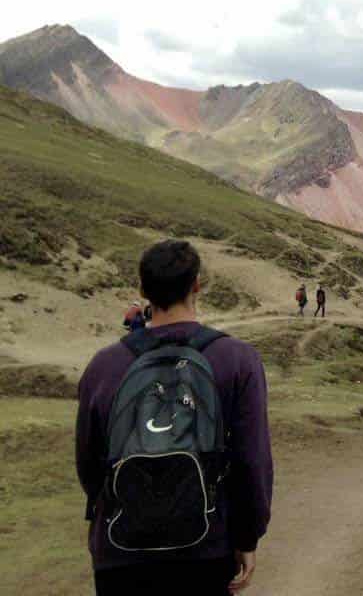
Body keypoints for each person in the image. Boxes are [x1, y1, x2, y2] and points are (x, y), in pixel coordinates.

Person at [76, 240, 272, 596]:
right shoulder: (237, 359)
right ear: (196, 285)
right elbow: (252, 459)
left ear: (142, 290)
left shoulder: (103, 365)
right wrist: (247, 535)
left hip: (119, 550)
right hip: (206, 547)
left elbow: (89, 463)